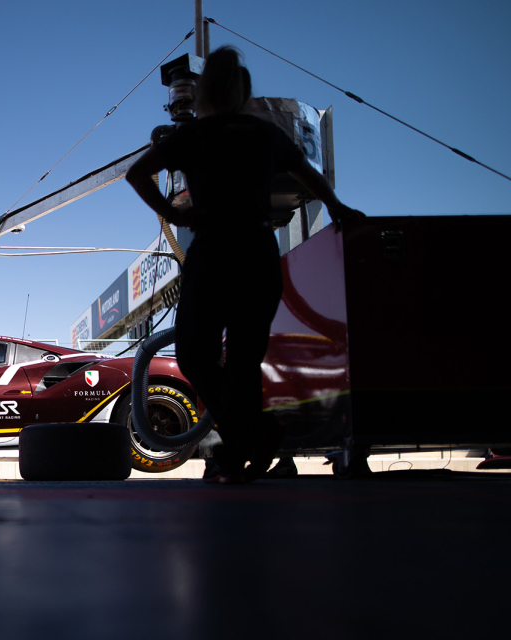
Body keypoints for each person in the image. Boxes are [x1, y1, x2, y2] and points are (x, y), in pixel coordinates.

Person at [127, 46, 364, 485]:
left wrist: (174, 213)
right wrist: (336, 208)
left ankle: (252, 438)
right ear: (243, 90)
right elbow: (310, 177)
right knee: (243, 360)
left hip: (214, 247)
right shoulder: (262, 133)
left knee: (196, 355)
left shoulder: (196, 134)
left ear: (203, 91)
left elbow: (137, 174)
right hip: (257, 248)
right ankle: (248, 447)